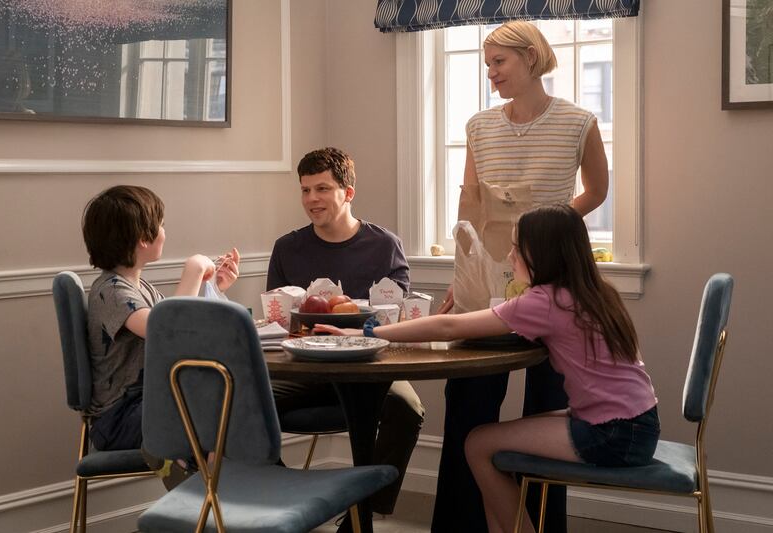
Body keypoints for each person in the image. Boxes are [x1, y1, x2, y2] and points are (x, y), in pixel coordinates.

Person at [316, 204, 659, 533]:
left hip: (612, 433)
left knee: (478, 443)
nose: (510, 256)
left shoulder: (546, 301)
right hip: (636, 424)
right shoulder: (597, 291)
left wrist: (369, 333)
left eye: (517, 248)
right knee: (494, 445)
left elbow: (448, 327)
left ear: (542, 253)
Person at [431, 20, 611, 533]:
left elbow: (597, 191)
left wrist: (546, 231)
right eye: (487, 64)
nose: (490, 73)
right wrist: (463, 278)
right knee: (468, 405)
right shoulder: (478, 126)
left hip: (556, 281)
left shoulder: (579, 122)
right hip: (489, 281)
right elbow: (471, 209)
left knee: (547, 411)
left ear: (531, 57)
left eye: (499, 62)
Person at [266, 147, 425, 519]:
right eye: (305, 190)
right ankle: (294, 499)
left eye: (322, 189)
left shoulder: (385, 245)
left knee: (408, 409)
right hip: (306, 368)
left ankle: (364, 511)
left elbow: (395, 319)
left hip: (372, 366)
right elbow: (279, 320)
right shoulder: (287, 248)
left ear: (348, 192)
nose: (311, 199)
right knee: (242, 403)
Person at [82, 185, 240, 484]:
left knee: (227, 407)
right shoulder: (111, 291)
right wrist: (193, 270)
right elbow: (168, 332)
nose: (164, 232)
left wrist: (213, 289)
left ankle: (226, 493)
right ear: (144, 238)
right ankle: (208, 495)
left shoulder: (140, 288)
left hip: (148, 405)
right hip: (120, 417)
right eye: (161, 225)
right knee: (211, 414)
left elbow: (183, 326)